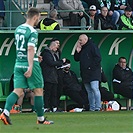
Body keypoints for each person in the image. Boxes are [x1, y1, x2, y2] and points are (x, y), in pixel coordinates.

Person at [0, 7, 53, 125]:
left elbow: (24, 48)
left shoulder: (18, 29)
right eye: (38, 18)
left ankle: (5, 113)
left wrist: (33, 55)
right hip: (30, 64)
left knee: (17, 90)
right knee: (38, 90)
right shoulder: (32, 31)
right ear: (35, 17)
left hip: (18, 63)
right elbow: (30, 48)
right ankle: (40, 119)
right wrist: (30, 65)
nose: (38, 20)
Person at [74, 34, 101, 111]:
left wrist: (91, 67)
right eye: (79, 40)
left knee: (95, 88)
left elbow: (98, 58)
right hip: (85, 73)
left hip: (94, 72)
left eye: (80, 40)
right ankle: (92, 107)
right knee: (89, 90)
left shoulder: (92, 46)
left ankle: (98, 106)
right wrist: (77, 51)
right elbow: (76, 59)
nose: (79, 42)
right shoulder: (81, 48)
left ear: (85, 40)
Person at [40, 41, 66, 112]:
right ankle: (46, 107)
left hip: (53, 76)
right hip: (47, 76)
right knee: (48, 92)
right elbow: (51, 63)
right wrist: (61, 62)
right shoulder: (46, 53)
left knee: (54, 92)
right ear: (52, 46)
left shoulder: (54, 54)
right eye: (55, 47)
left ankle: (54, 107)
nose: (56, 49)